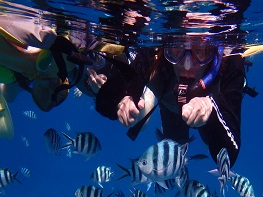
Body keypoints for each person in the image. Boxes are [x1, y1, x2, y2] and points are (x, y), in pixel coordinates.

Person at [95, 38, 249, 167]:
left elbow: (229, 156)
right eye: (176, 50)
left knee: (210, 141)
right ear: (165, 49)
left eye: (201, 51)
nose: (187, 66)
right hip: (169, 103)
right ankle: (149, 94)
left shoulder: (231, 63)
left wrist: (211, 111)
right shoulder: (154, 55)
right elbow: (103, 103)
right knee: (173, 149)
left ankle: (152, 92)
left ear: (214, 52)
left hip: (211, 108)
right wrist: (124, 98)